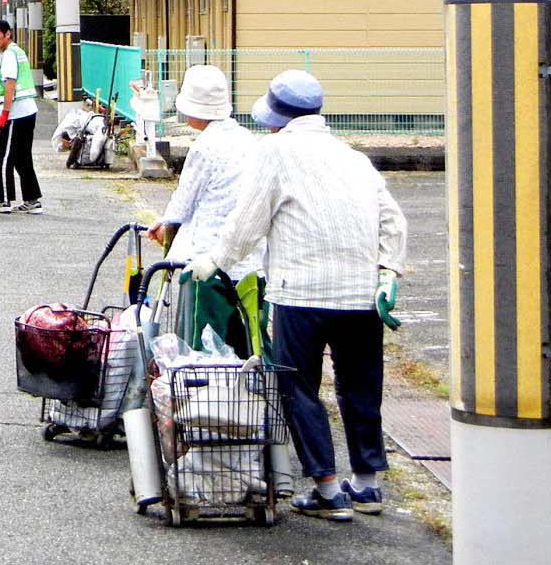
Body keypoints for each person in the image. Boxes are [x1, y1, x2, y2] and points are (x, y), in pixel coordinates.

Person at [190, 70, 408, 522]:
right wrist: (389, 272)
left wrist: (215, 259)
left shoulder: (274, 151)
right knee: (360, 386)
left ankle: (327, 489)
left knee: (298, 386)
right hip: (361, 295)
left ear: (277, 119)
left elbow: (248, 219)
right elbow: (393, 219)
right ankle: (367, 485)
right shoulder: (352, 157)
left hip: (301, 293)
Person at [147, 65, 264, 356]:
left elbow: (184, 200)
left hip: (207, 262)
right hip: (250, 263)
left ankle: (200, 397)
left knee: (201, 349)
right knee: (245, 342)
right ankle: (243, 396)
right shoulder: (248, 140)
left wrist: (163, 223)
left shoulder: (205, 147)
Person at [0, 19, 42, 214]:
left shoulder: (9, 54)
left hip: (16, 113)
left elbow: (10, 85)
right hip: (28, 111)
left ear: (8, 34)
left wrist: (4, 114)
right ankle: (32, 200)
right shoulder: (19, 51)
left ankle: (4, 200)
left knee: (5, 157)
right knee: (22, 157)